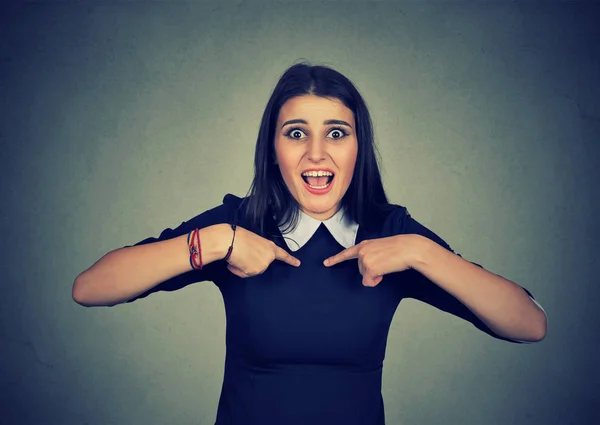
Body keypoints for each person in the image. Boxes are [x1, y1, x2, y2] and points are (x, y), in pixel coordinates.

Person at [72, 62, 547, 425]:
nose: (316, 154)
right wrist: (216, 241)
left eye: (336, 134)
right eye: (296, 133)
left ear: (357, 149)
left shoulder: (391, 232)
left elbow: (529, 324)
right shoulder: (238, 225)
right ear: (273, 151)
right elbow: (90, 288)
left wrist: (424, 253)